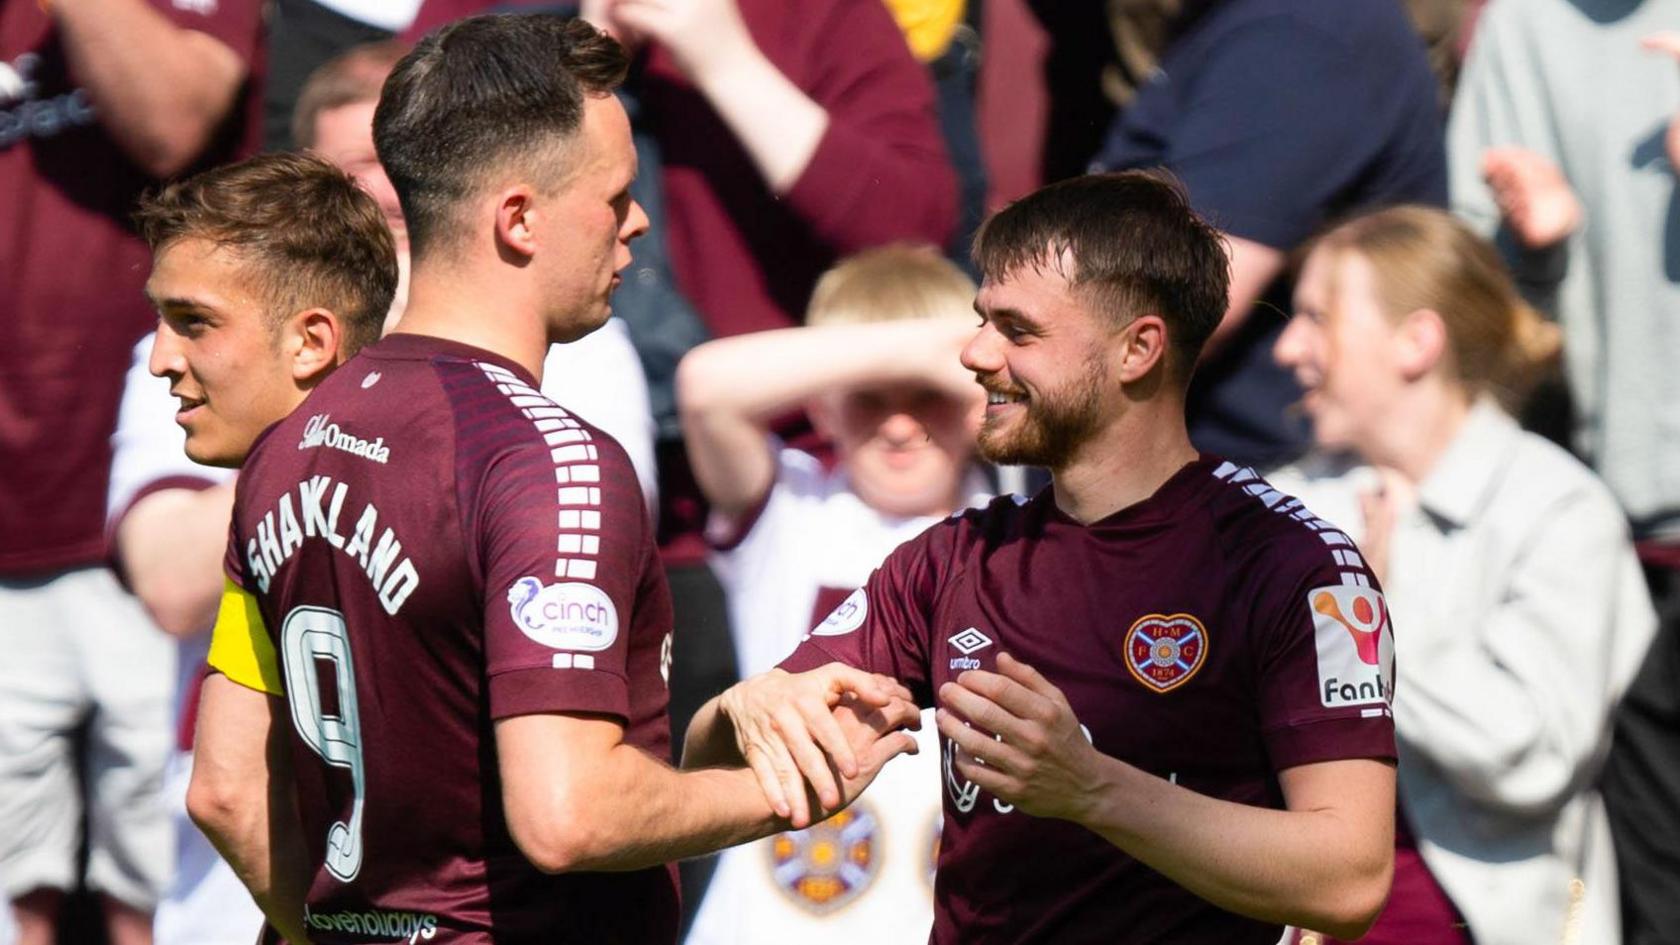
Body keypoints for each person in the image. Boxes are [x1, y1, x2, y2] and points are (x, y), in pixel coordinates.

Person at [179, 16, 915, 943]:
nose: (637, 221)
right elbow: (569, 815)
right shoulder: (552, 463)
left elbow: (229, 791)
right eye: (613, 196)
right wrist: (786, 788)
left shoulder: (291, 440)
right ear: (518, 218)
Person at [684, 171, 1400, 944]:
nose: (974, 353)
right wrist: (737, 708)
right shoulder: (949, 560)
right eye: (981, 320)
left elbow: (1351, 876)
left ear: (1138, 349)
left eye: (1017, 331)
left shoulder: (1293, 565)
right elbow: (713, 767)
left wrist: (1091, 788)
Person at [1267, 205, 1656, 945]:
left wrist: (1375, 624)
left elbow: (1533, 757)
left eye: (1318, 317)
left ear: (1416, 341)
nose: (1288, 346)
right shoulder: (1288, 503)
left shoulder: (1559, 509)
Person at [0, 1, 263, 942]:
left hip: (151, 495)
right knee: (12, 893)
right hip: (11, 521)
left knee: (154, 885)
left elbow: (171, 124)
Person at [1446, 6, 1680, 942]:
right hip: (1617, 527)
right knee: (1649, 872)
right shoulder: (1524, 26)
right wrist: (1533, 252)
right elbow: (1477, 304)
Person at [677, 245, 990, 943]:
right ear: (822, 405)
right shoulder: (791, 507)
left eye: (928, 394)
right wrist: (924, 347)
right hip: (774, 918)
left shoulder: (1018, 515)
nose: (901, 424)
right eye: (871, 397)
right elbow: (704, 386)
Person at [291, 38, 660, 507]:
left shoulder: (581, 333)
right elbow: (176, 565)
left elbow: (611, 510)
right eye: (363, 165)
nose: (395, 193)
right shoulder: (230, 322)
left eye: (408, 168)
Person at [1093, 0, 1446, 470]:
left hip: (1259, 485)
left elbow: (1186, 301)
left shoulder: (1304, 32)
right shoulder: (1248, 20)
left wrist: (1004, 369)